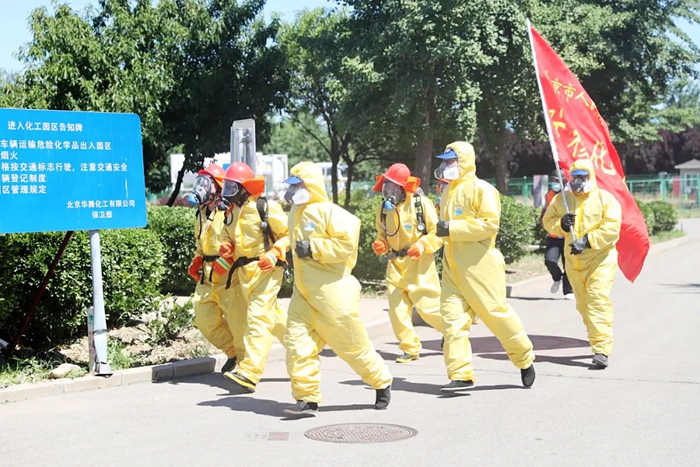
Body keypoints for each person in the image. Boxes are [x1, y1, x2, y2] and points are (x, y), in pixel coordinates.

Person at [281, 161, 393, 417]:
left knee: (352, 346)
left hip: (331, 293)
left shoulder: (329, 212)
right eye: (292, 186)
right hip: (303, 293)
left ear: (310, 185)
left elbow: (346, 244)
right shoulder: (295, 213)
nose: (293, 191)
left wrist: (314, 248)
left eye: (298, 185)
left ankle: (381, 380)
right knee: (297, 345)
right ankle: (306, 398)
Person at [434, 142, 536, 392]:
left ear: (464, 161)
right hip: (453, 268)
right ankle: (461, 375)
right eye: (444, 161)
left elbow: (489, 225)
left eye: (450, 161)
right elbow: (442, 228)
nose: (446, 165)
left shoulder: (483, 190)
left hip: (480, 267)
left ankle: (524, 359)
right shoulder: (447, 192)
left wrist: (452, 228)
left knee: (497, 316)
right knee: (452, 321)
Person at [211, 162, 289, 393]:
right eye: (226, 187)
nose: (227, 192)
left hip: (268, 271)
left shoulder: (265, 207)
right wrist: (227, 247)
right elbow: (229, 238)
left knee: (257, 318)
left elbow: (289, 235)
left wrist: (275, 253)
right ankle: (304, 348)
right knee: (272, 317)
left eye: (232, 187)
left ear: (244, 188)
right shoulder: (231, 212)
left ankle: (250, 373)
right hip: (245, 272)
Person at [542, 159, 621, 369]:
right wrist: (561, 224)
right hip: (574, 262)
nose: (578, 181)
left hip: (600, 259)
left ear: (590, 177)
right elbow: (548, 221)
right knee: (584, 305)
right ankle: (596, 336)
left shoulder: (605, 199)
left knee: (596, 298)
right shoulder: (562, 200)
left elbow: (612, 227)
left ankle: (601, 349)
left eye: (583, 177)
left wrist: (587, 241)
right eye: (575, 177)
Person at [371, 163, 446, 363]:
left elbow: (437, 233)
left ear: (404, 188)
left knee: (429, 309)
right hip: (395, 265)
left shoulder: (421, 204)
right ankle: (410, 348)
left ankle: (453, 333)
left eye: (394, 187)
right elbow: (382, 233)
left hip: (420, 264)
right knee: (397, 311)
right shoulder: (383, 209)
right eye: (387, 185)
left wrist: (422, 245)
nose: (389, 191)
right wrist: (381, 244)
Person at [186, 163, 239, 374]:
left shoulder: (228, 212)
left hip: (228, 277)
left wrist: (226, 261)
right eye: (200, 182)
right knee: (204, 321)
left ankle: (247, 363)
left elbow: (240, 243)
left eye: (206, 183)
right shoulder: (200, 213)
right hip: (207, 276)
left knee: (236, 320)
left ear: (217, 188)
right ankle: (233, 352)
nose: (201, 187)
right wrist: (197, 260)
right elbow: (201, 243)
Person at [541, 172, 574, 299]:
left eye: (556, 180)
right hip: (553, 235)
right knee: (550, 260)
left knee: (568, 264)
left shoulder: (571, 195)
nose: (554, 183)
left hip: (567, 236)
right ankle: (556, 278)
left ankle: (568, 290)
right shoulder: (549, 195)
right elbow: (546, 210)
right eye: (553, 180)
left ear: (564, 181)